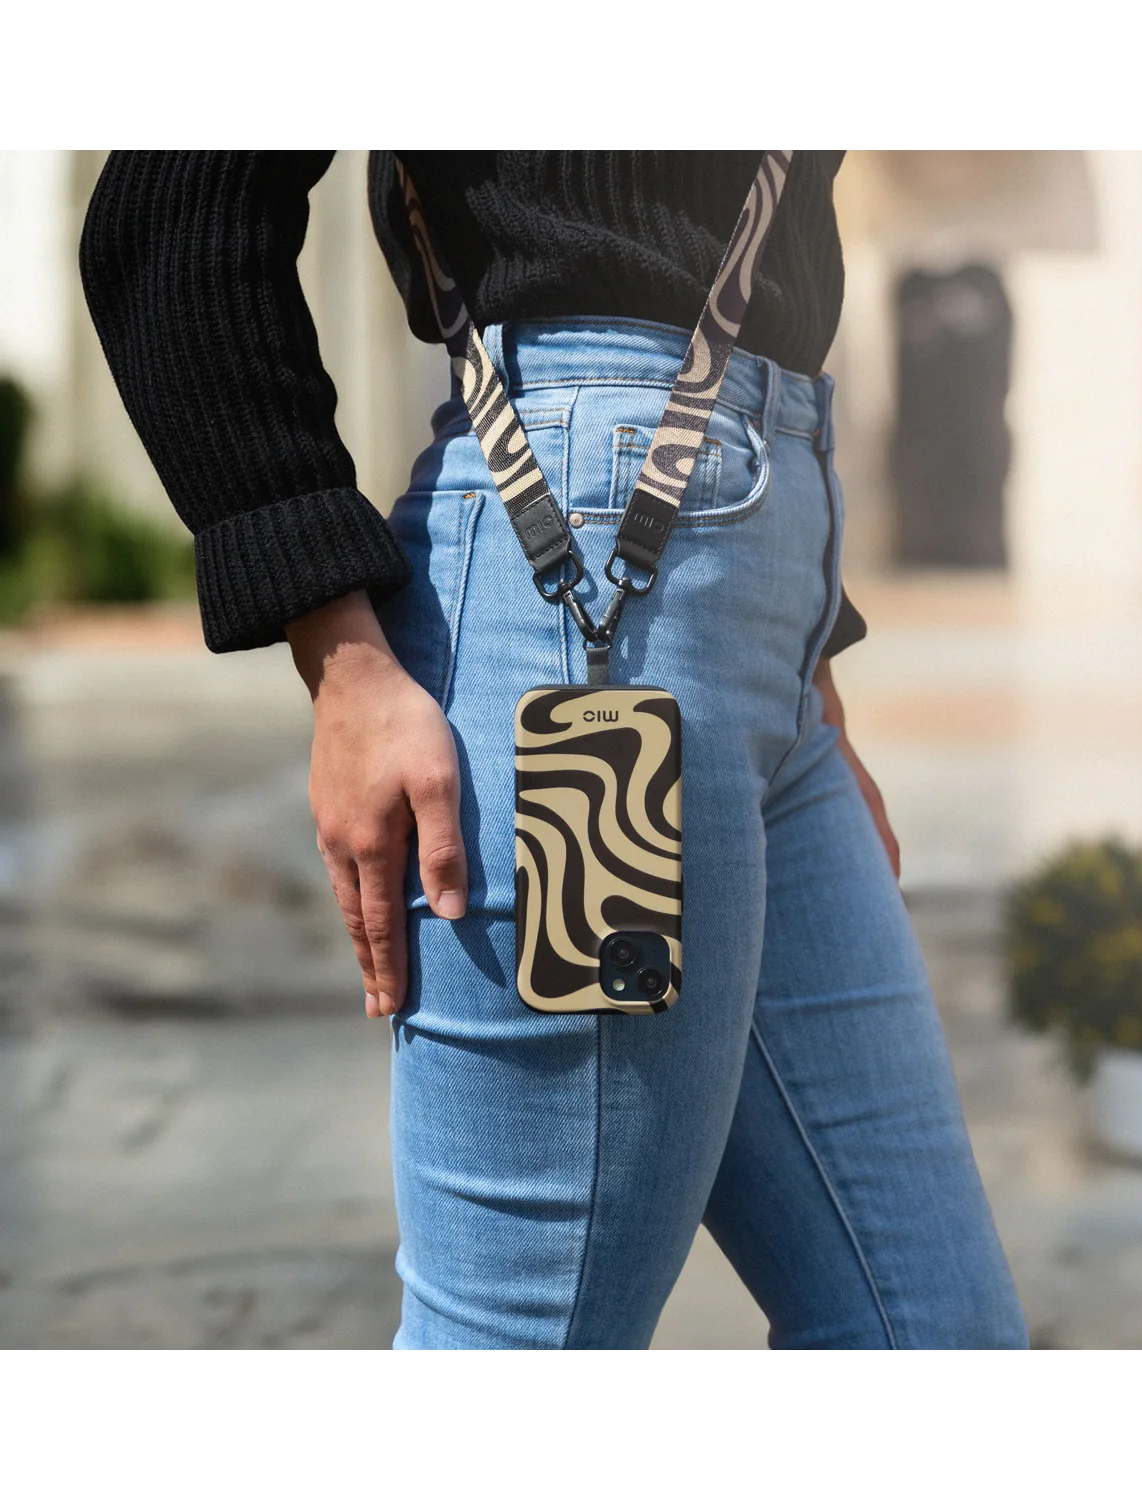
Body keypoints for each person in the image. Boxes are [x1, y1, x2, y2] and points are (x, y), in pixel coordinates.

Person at [80, 145, 1028, 1352]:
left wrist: (809, 675)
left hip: (766, 577)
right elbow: (168, 210)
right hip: (575, 551)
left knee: (935, 1335)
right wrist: (339, 651)